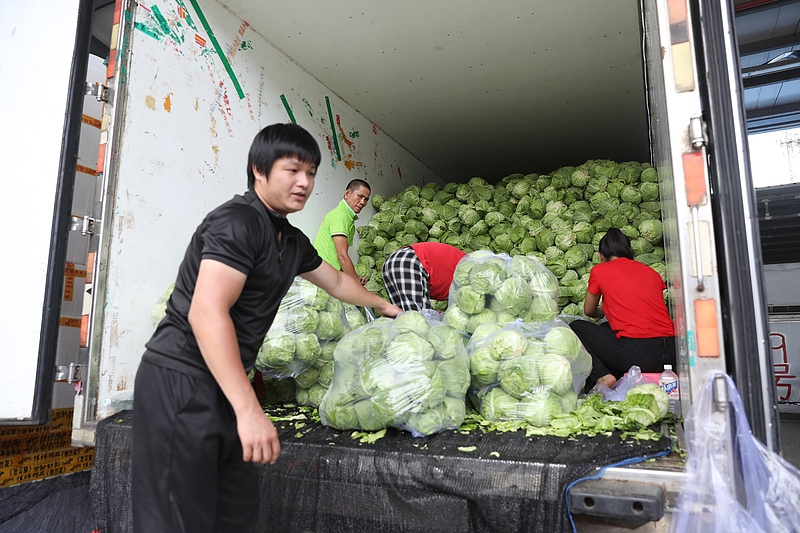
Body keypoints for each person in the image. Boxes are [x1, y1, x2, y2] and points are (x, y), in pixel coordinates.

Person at [131, 124, 401, 533]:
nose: (304, 182)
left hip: (226, 383)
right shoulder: (236, 222)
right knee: (176, 520)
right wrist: (249, 410)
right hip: (180, 381)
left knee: (236, 511)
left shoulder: (290, 241)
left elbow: (338, 282)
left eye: (311, 172)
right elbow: (207, 314)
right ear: (259, 169)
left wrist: (384, 305)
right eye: (293, 170)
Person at [569, 227, 676, 391]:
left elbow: (589, 311)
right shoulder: (652, 273)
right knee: (605, 329)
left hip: (638, 352)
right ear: (630, 250)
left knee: (577, 327)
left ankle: (602, 375)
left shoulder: (600, 270)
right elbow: (644, 306)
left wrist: (603, 310)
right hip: (671, 352)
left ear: (601, 256)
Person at [313, 179, 371, 285]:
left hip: (328, 276)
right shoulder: (340, 217)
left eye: (366, 199)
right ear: (347, 193)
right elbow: (342, 256)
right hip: (322, 277)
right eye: (360, 196)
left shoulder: (348, 220)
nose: (363, 202)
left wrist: (355, 279)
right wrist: (357, 285)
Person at [382, 242, 466, 311]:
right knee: (418, 319)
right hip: (411, 262)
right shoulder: (471, 274)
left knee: (402, 317)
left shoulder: (466, 263)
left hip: (393, 261)